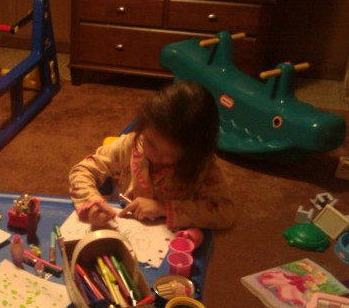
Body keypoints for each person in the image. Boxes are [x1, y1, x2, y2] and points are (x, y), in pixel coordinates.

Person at [69, 81, 234, 230]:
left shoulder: (202, 166)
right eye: (150, 143)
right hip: (121, 226)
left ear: (192, 152)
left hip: (168, 242)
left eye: (168, 155)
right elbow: (82, 170)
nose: (154, 156)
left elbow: (225, 212)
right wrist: (90, 201)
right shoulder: (131, 144)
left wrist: (164, 208)